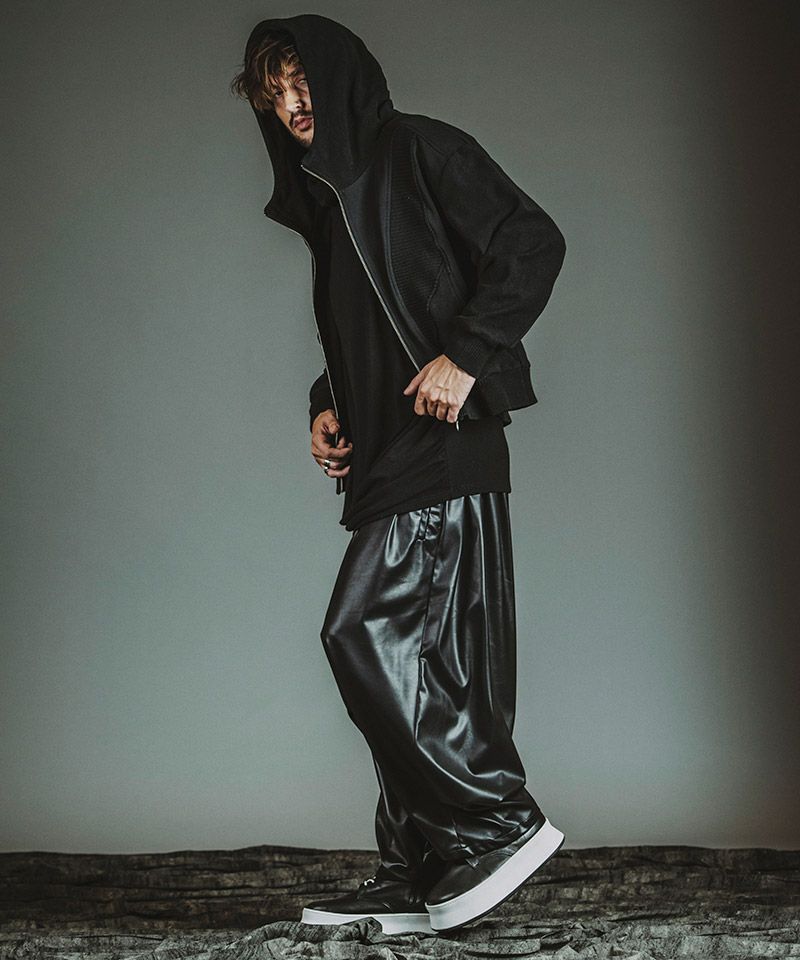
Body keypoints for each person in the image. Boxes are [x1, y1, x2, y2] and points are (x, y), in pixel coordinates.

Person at [231, 13, 567, 936]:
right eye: (276, 95)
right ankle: (419, 868)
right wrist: (327, 402)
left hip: (442, 445)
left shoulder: (416, 148)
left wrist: (468, 356)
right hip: (384, 453)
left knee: (362, 634)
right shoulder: (330, 200)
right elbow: (368, 325)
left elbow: (533, 240)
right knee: (426, 661)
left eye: (302, 81)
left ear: (339, 76)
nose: (293, 105)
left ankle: (495, 823)